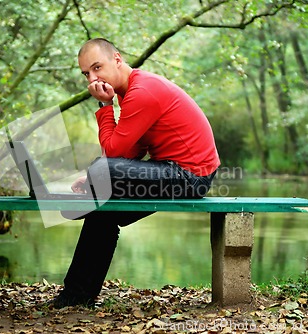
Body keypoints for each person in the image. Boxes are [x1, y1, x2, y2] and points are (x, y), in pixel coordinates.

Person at [52, 38, 220, 308]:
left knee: (102, 170)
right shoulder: (129, 92)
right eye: (86, 73)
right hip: (170, 171)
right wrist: (100, 174)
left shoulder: (143, 91)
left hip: (190, 177)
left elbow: (113, 148)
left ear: (117, 59)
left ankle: (82, 201)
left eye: (97, 68)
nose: (92, 79)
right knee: (102, 212)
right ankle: (75, 298)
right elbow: (129, 152)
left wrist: (105, 109)